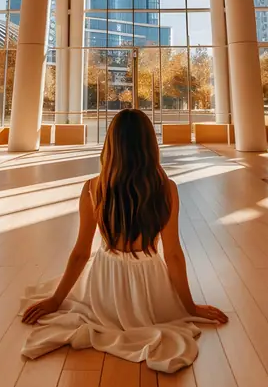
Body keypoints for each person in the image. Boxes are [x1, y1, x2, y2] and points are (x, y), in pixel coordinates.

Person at [19, 108, 228, 373]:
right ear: (150, 145)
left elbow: (81, 253)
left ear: (111, 144)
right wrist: (190, 307)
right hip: (149, 281)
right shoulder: (167, 188)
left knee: (83, 295)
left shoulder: (93, 187)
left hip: (105, 282)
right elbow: (173, 254)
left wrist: (56, 300)